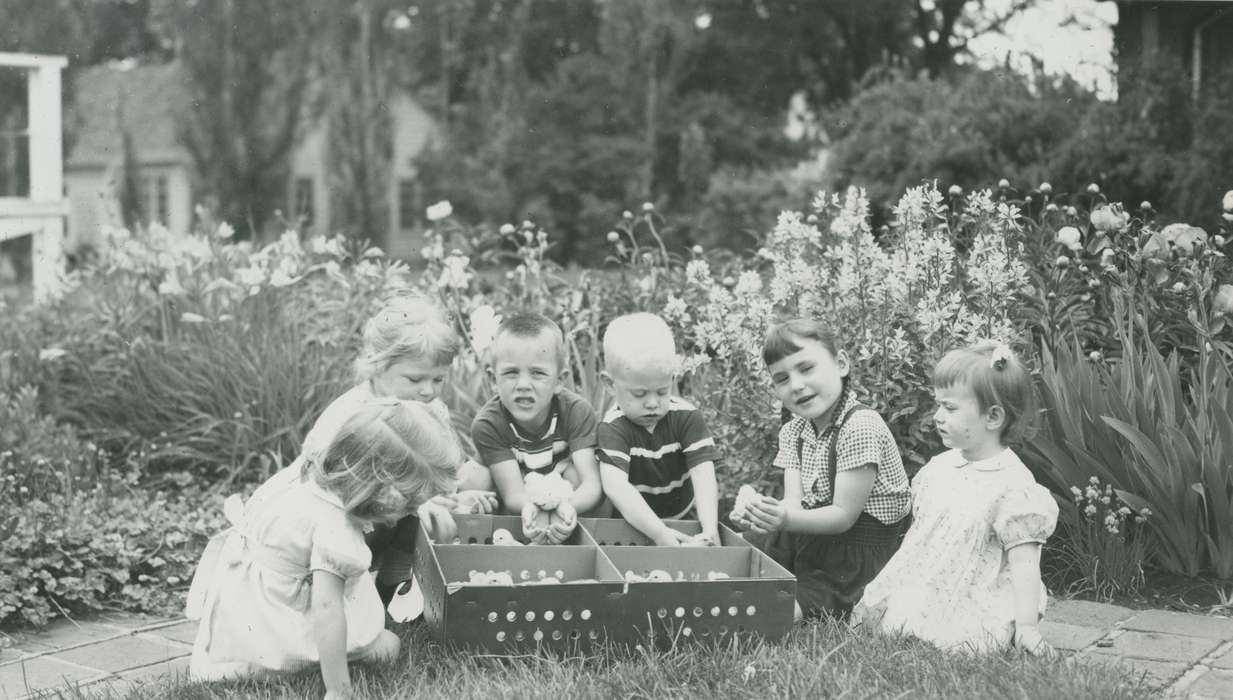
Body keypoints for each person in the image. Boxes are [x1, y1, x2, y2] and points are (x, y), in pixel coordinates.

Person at [187, 400, 462, 699]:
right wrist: (337, 689)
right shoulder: (337, 531)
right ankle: (287, 666)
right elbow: (327, 610)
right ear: (379, 491)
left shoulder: (308, 473)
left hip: (247, 608)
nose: (408, 512)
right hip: (279, 625)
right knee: (388, 646)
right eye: (409, 503)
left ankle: (249, 661)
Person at [851, 341, 1058, 656]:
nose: (937, 416)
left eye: (949, 408)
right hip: (930, 581)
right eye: (938, 405)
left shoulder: (1013, 486)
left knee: (963, 640)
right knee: (898, 621)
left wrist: (1027, 627)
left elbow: (1025, 564)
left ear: (992, 417)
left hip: (975, 590)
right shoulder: (941, 468)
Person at [300, 294, 496, 601]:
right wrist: (418, 503)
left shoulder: (429, 409)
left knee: (440, 497)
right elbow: (333, 488)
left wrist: (453, 497)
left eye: (438, 379)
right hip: (342, 516)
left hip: (394, 513)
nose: (428, 390)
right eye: (416, 378)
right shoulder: (354, 414)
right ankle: (353, 590)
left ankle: (393, 580)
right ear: (377, 366)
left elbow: (437, 470)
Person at [737, 318, 910, 621]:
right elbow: (795, 501)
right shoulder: (794, 431)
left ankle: (760, 612)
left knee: (808, 595)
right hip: (817, 534)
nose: (797, 385)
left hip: (858, 551)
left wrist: (788, 519)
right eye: (782, 379)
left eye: (806, 368)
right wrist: (767, 512)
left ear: (841, 364)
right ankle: (710, 582)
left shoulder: (859, 426)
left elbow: (843, 516)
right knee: (745, 548)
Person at [470, 312, 604, 543]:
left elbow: (591, 484)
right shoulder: (488, 423)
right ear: (493, 379)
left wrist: (566, 508)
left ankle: (587, 540)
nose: (523, 385)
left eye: (538, 373)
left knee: (593, 473)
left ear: (559, 381)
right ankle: (491, 537)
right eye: (511, 373)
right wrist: (531, 510)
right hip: (518, 493)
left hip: (563, 490)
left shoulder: (576, 411)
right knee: (474, 477)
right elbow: (513, 494)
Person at [596, 312, 720, 546]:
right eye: (639, 394)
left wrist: (709, 528)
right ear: (610, 384)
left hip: (685, 517)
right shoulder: (613, 428)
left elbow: (703, 472)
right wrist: (660, 535)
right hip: (633, 525)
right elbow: (616, 487)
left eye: (663, 391)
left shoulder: (686, 417)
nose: (652, 403)